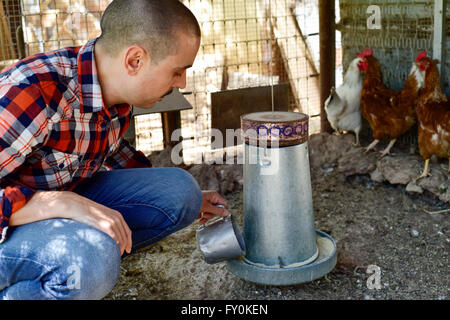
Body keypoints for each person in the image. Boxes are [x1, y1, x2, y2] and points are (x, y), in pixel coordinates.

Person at [0, 0, 228, 299]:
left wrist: (191, 200)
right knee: (90, 259)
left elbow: (112, 155)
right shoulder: (33, 91)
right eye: (177, 71)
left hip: (57, 203)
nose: (182, 83)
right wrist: (58, 204)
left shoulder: (114, 94)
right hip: (10, 225)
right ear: (135, 60)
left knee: (180, 191)